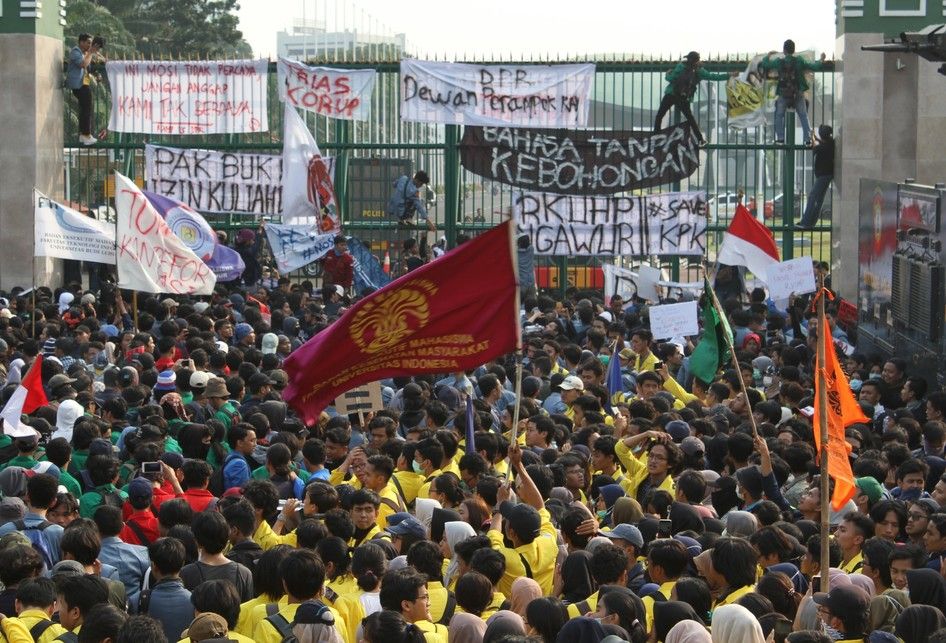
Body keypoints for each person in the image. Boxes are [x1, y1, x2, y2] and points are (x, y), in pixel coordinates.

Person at [654, 51, 733, 145]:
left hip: (671, 94)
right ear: (697, 60)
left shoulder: (680, 66)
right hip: (683, 98)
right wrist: (728, 75)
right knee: (691, 119)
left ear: (688, 58)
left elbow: (670, 79)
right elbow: (713, 76)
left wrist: (667, 74)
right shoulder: (699, 70)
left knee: (660, 115)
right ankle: (700, 139)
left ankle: (656, 137)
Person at [759, 40, 827, 145]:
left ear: (784, 50)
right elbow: (814, 66)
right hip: (797, 93)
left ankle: (780, 139)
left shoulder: (778, 62)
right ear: (794, 50)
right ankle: (807, 140)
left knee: (779, 115)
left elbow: (765, 65)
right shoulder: (799, 61)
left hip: (783, 93)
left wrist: (768, 55)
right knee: (803, 116)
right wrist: (821, 59)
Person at [65, 34, 103, 145]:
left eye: (91, 43)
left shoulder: (84, 53)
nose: (89, 45)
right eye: (88, 42)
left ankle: (84, 134)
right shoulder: (75, 52)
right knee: (86, 109)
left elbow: (89, 68)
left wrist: (97, 75)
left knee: (86, 108)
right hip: (78, 85)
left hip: (84, 84)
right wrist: (90, 52)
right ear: (81, 42)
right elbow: (83, 64)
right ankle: (85, 135)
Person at [797, 125, 835, 229]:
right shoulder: (831, 143)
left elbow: (814, 147)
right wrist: (816, 137)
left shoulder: (823, 147)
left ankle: (806, 222)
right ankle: (810, 223)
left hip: (823, 175)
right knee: (818, 200)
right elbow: (823, 143)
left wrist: (813, 138)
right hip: (826, 175)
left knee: (813, 197)